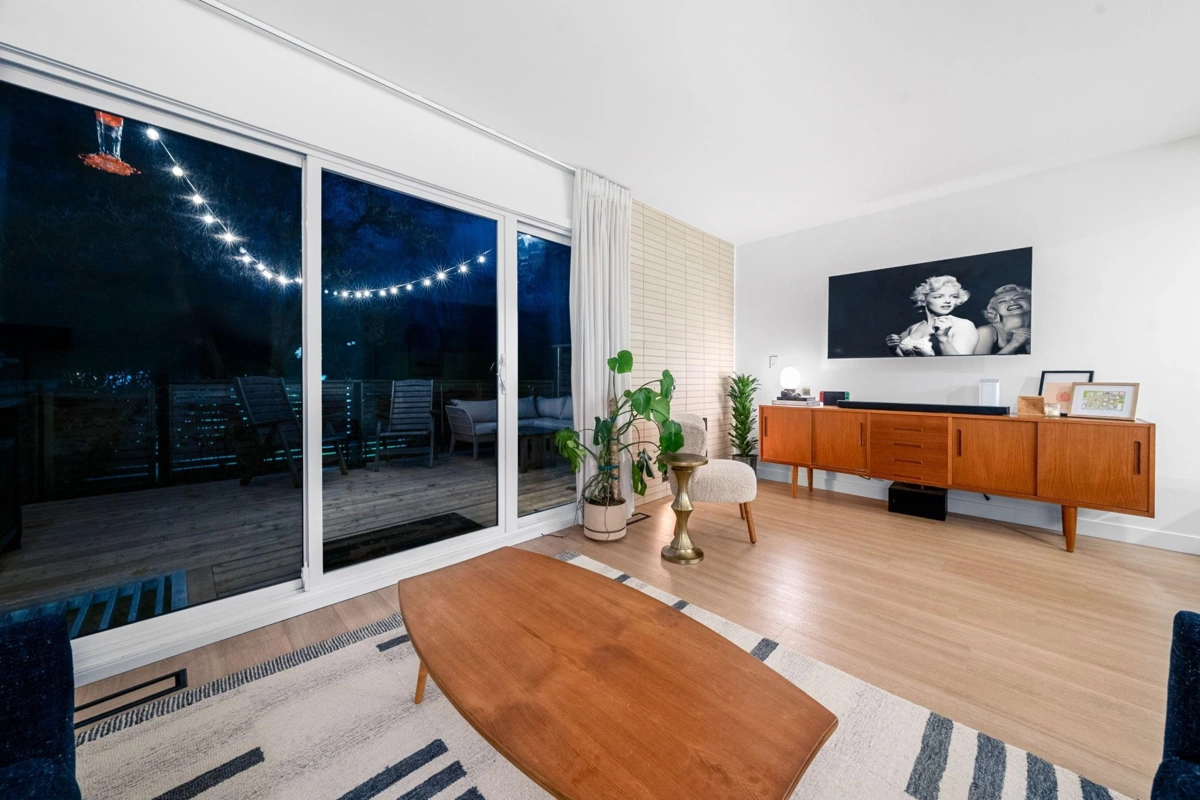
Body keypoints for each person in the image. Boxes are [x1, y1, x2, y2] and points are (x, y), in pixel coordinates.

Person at [885, 275, 979, 356]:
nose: (948, 301)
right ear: (923, 300)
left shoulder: (963, 325)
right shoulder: (913, 328)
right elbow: (907, 364)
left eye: (953, 296)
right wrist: (894, 349)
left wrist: (943, 339)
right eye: (939, 296)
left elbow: (961, 365)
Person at [973, 284, 1031, 355]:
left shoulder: (1043, 329)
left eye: (1019, 297)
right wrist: (1014, 344)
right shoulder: (986, 331)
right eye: (1002, 301)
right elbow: (980, 364)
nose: (1012, 301)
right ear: (995, 310)